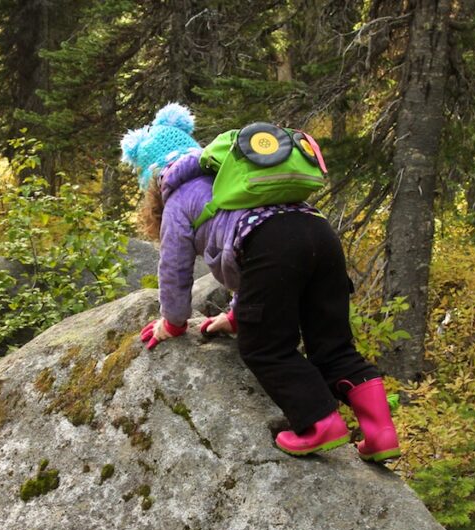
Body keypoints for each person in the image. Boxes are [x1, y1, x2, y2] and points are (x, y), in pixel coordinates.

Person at [121, 103, 400, 462]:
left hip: (272, 245)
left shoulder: (179, 197)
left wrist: (173, 323)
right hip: (320, 234)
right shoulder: (235, 179)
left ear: (154, 178)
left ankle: (320, 422)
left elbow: (174, 269)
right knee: (333, 346)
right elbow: (252, 272)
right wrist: (236, 315)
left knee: (264, 347)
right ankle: (381, 433)